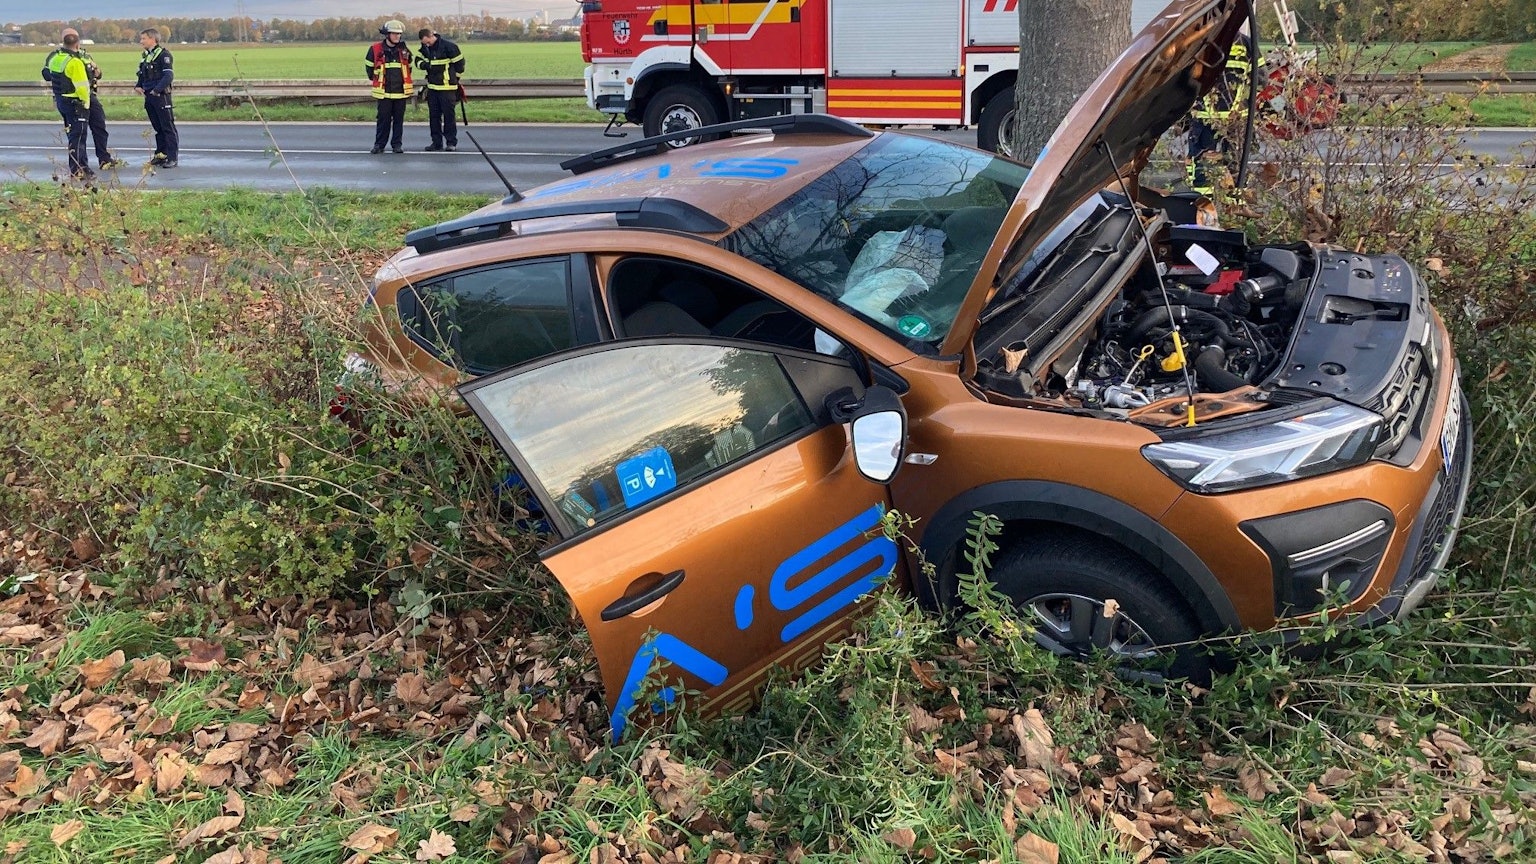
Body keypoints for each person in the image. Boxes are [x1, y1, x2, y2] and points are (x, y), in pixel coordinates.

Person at [42, 28, 122, 171]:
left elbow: (98, 73)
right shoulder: (56, 56)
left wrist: (96, 71)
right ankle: (79, 167)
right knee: (77, 134)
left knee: (99, 127)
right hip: (72, 98)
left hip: (88, 95)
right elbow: (47, 74)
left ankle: (104, 158)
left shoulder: (85, 55)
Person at [1187, 26, 1252, 196]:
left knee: (1203, 161)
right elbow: (1260, 78)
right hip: (1232, 117)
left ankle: (1202, 205)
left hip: (1207, 116)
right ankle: (1232, 207)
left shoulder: (1201, 43)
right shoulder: (1246, 43)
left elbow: (1186, 77)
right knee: (1236, 160)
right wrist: (1245, 104)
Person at [47, 31, 93, 180]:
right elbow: (82, 87)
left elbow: (48, 75)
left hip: (61, 101)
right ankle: (78, 170)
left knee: (72, 135)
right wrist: (86, 104)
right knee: (78, 138)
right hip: (75, 104)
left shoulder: (56, 58)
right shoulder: (75, 62)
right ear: (77, 45)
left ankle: (82, 167)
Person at [365, 20, 414, 154]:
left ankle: (397, 145)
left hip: (400, 93)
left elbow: (409, 69)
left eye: (399, 34)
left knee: (399, 121)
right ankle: (379, 145)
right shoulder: (375, 49)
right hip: (384, 93)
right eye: (394, 34)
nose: (397, 36)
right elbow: (370, 69)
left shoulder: (404, 50)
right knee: (383, 121)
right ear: (387, 34)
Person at [135, 28, 179, 168]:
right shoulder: (146, 56)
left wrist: (156, 90)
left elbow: (168, 76)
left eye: (143, 38)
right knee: (158, 127)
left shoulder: (163, 55)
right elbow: (142, 73)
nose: (141, 41)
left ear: (153, 39)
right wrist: (138, 85)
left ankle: (172, 158)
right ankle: (161, 155)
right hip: (149, 96)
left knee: (168, 127)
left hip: (161, 96)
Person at [416, 28, 465, 152]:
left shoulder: (449, 47)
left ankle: (451, 143)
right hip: (432, 88)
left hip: (447, 89)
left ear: (432, 36)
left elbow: (460, 66)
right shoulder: (425, 47)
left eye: (428, 42)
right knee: (434, 117)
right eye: (424, 43)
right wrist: (425, 65)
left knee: (449, 117)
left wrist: (455, 79)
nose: (426, 45)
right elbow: (417, 60)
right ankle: (436, 143)